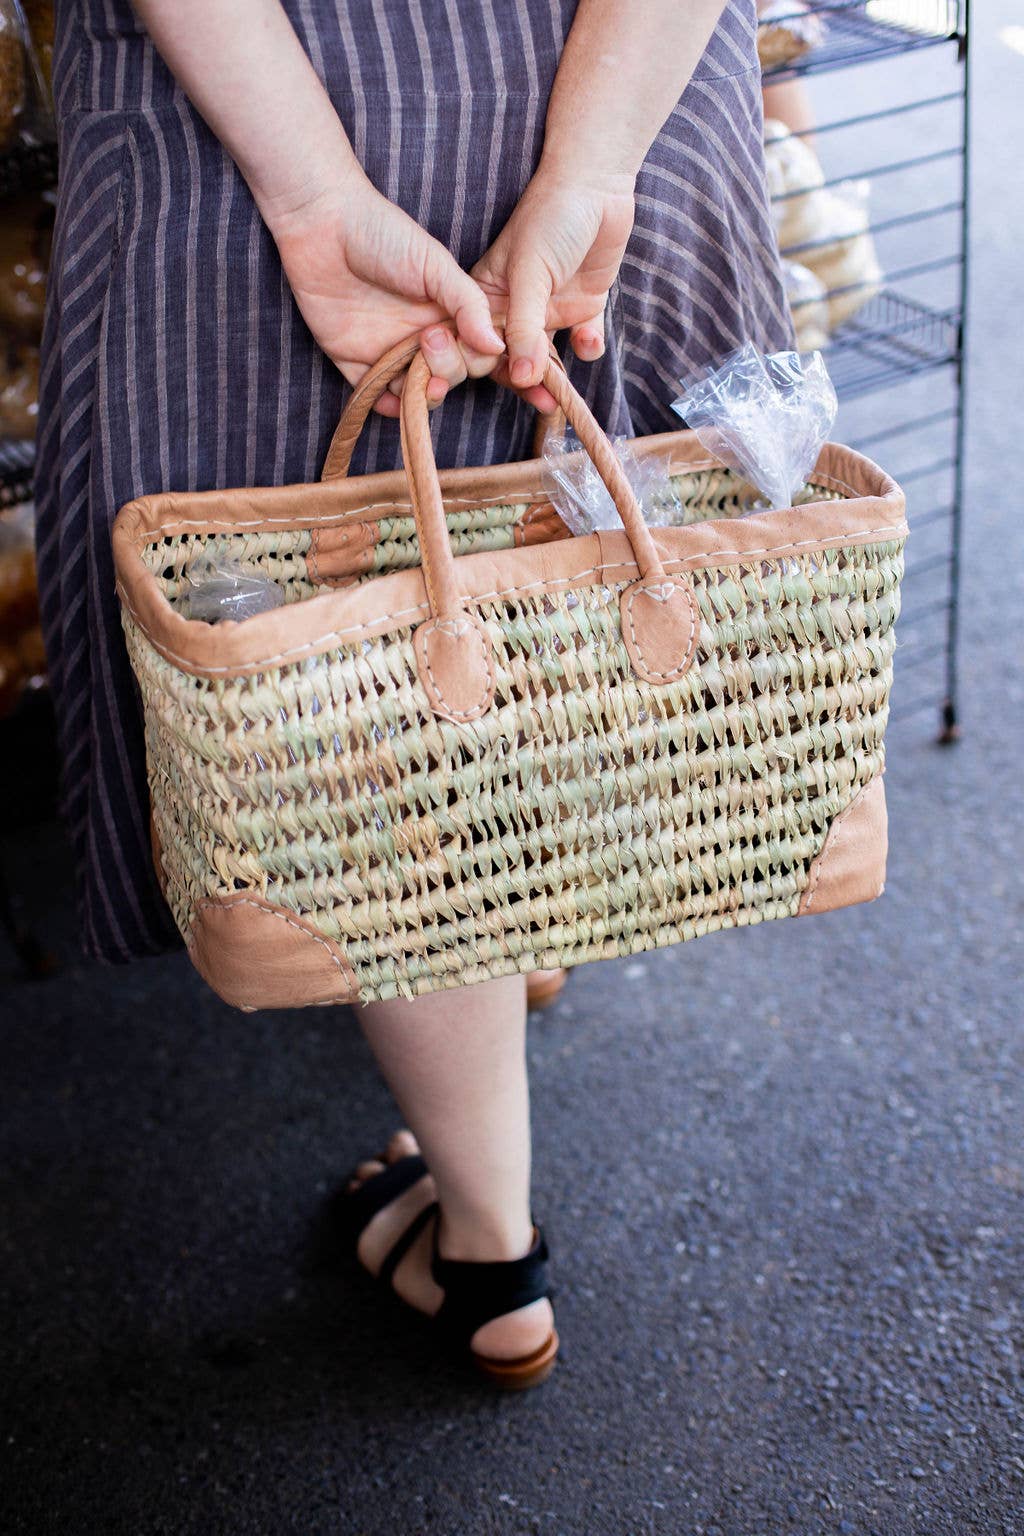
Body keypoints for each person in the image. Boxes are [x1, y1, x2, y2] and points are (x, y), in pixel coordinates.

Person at [35, 0, 793, 1387]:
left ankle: (490, 1256)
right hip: (626, 85)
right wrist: (590, 165)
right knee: (590, 578)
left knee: (378, 720)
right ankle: (539, 919)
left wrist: (318, 195)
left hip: (274, 97)